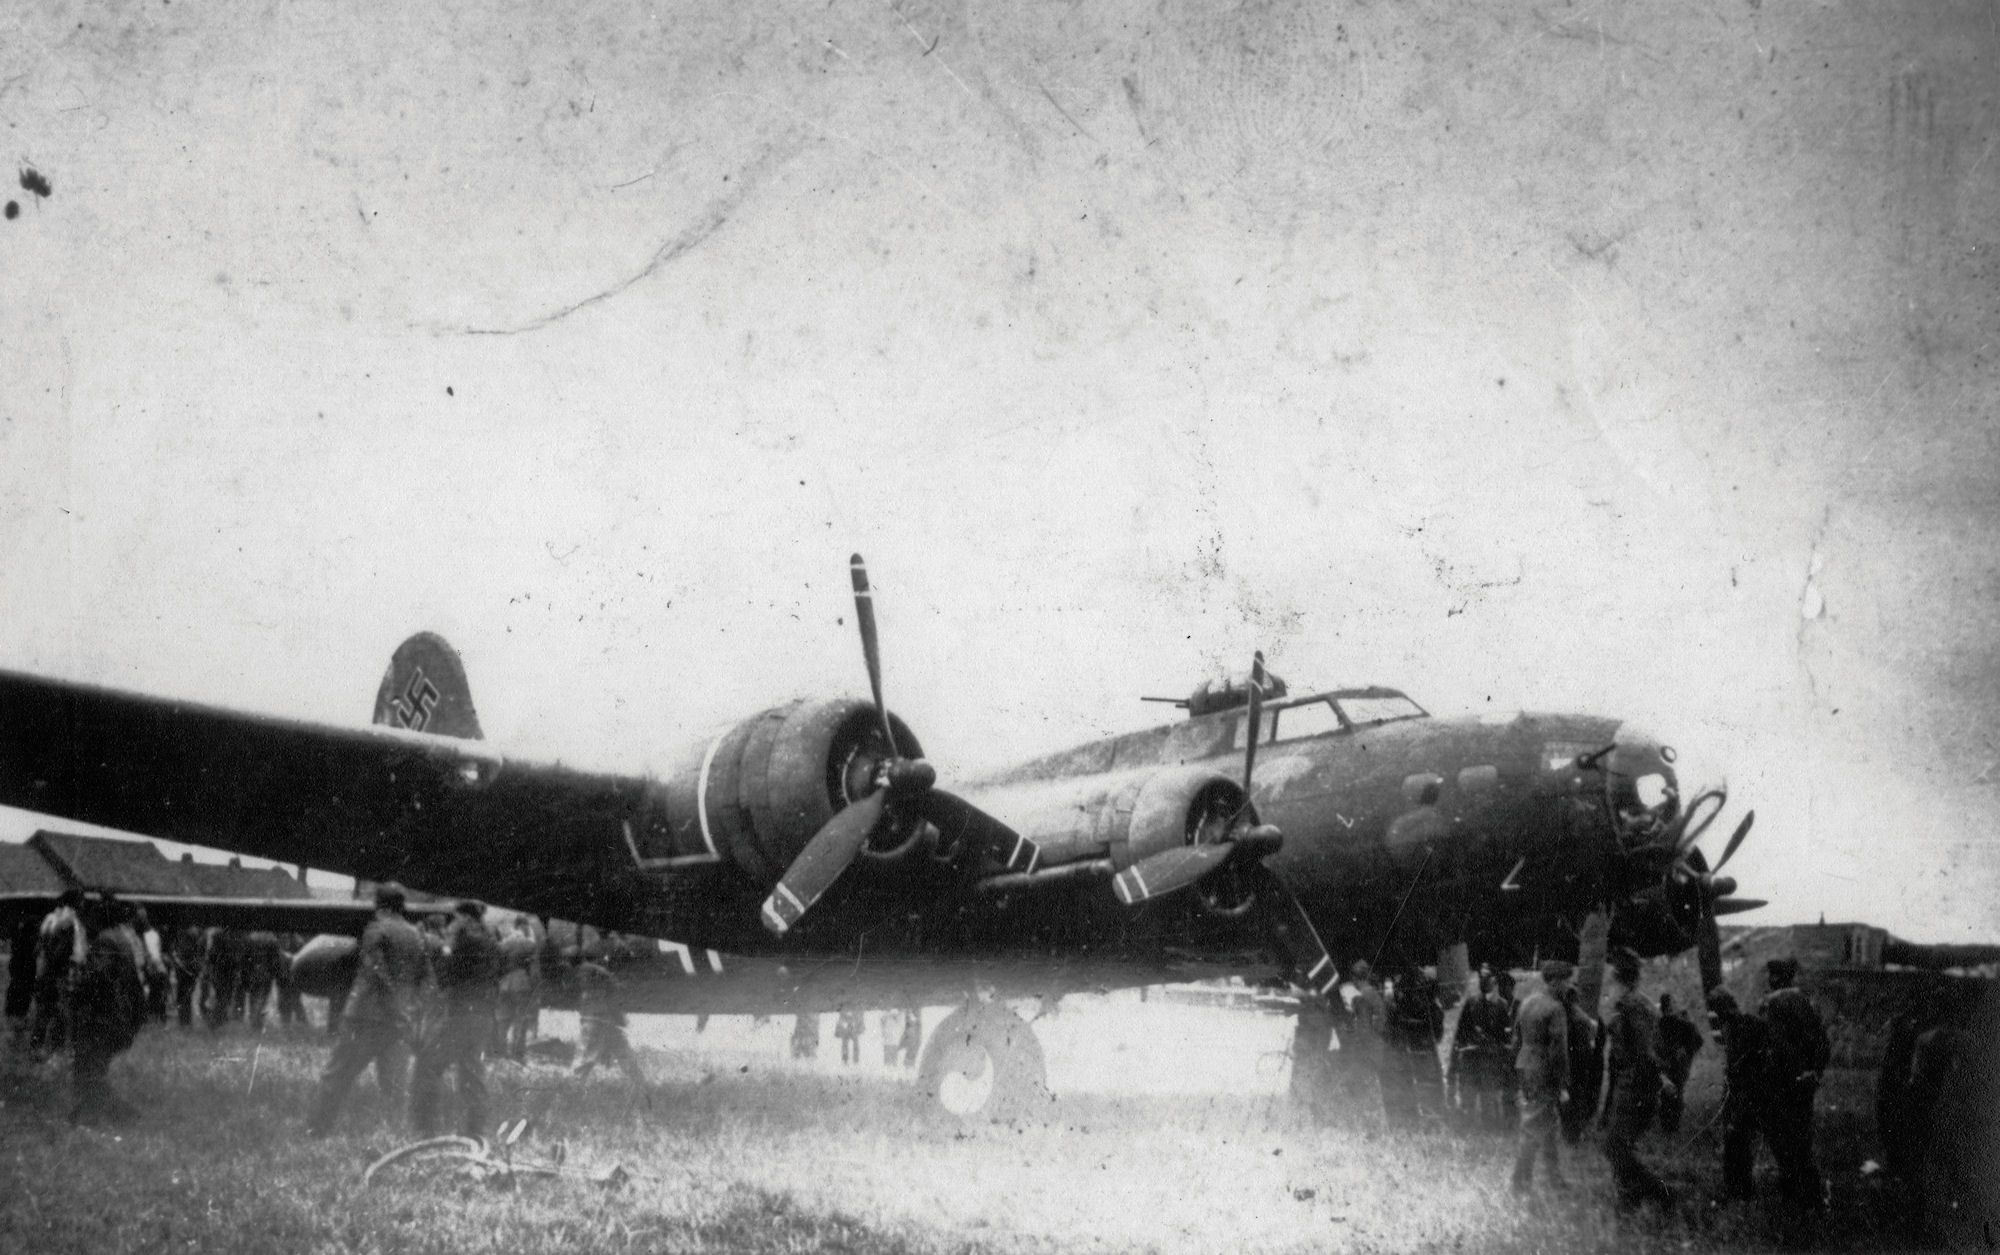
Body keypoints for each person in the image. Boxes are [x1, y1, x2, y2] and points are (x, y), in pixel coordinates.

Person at [305, 883, 433, 1137]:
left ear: (379, 906)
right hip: (397, 1024)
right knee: (394, 1085)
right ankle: (395, 1135)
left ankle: (317, 1130)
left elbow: (375, 970)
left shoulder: (375, 930)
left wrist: (395, 1005)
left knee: (337, 1075)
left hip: (365, 1017)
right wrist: (409, 1008)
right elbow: (428, 979)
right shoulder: (415, 935)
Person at [411, 900, 500, 1138]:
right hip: (483, 1016)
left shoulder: (462, 937)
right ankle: (476, 1133)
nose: (453, 922)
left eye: (456, 917)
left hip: (460, 1016)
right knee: (472, 1073)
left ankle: (425, 1130)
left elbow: (444, 975)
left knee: (427, 1066)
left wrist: (436, 948)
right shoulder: (490, 940)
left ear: (465, 917)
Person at [1602, 947, 1674, 1212]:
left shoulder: (1635, 1006)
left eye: (1614, 979)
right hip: (1630, 1083)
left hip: (1637, 1086)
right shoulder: (1629, 1004)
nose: (1611, 984)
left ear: (1623, 979)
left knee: (1614, 1146)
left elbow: (1645, 1052)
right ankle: (1628, 1201)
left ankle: (1662, 1192)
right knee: (1619, 1145)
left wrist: (1651, 1083)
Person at [69, 897, 149, 1125]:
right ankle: (93, 1114)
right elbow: (132, 982)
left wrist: (77, 991)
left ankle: (105, 1115)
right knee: (94, 1066)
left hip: (102, 1016)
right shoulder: (122, 939)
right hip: (117, 1014)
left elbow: (97, 978)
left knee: (89, 1067)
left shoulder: (105, 942)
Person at [1758, 957, 1829, 1208]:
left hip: (1780, 1079)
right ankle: (1810, 1193)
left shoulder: (1772, 1003)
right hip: (1804, 1081)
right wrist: (1813, 1071)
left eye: (1770, 975)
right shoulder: (1807, 1002)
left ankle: (1795, 1191)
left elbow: (1776, 1043)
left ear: (1775, 978)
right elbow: (1822, 1042)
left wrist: (1790, 1071)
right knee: (1800, 1136)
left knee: (1780, 1135)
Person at [1511, 960, 1573, 1194]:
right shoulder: (1555, 1008)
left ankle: (1554, 1179)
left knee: (1548, 1125)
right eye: (1566, 981)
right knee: (1534, 1126)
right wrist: (1562, 1084)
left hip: (1526, 1067)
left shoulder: (1527, 1002)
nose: (1568, 986)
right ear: (1555, 982)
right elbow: (1558, 1052)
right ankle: (1519, 1183)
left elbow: (1516, 1040)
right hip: (1544, 1072)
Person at [571, 952, 647, 1087]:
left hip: (596, 1021)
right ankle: (641, 1085)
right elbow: (612, 998)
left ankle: (574, 1087)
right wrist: (619, 1017)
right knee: (624, 1054)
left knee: (586, 1057)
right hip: (605, 1020)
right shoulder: (597, 974)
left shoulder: (585, 975)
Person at [30, 889, 86, 1056]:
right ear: (75, 902)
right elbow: (66, 949)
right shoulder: (68, 920)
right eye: (81, 901)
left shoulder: (50, 919)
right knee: (61, 1012)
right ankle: (55, 1050)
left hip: (46, 970)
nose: (83, 905)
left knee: (44, 1011)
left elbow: (39, 948)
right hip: (61, 971)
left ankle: (36, 1047)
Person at [1560, 983, 1604, 1143]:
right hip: (1579, 1065)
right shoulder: (1583, 1018)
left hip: (1572, 1064)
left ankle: (1571, 1135)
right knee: (1576, 1100)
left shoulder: (1569, 1017)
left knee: (1569, 1100)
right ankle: (1573, 1134)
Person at [1655, 992, 1703, 1133]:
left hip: (1668, 1064)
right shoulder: (1681, 1022)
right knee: (1676, 1093)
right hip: (1676, 1064)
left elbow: (1697, 1040)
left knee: (1667, 1093)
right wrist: (1687, 1052)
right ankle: (1672, 1128)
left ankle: (1667, 1127)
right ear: (1670, 1005)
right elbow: (1698, 1040)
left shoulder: (1660, 1023)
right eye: (1673, 1003)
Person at [494, 916, 540, 1062]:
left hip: (504, 984)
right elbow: (534, 969)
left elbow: (497, 966)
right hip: (521, 983)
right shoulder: (529, 944)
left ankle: (500, 1053)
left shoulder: (503, 944)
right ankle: (517, 1055)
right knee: (521, 1020)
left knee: (502, 1020)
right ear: (524, 926)